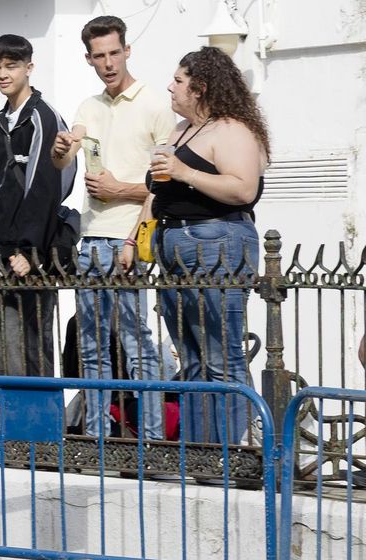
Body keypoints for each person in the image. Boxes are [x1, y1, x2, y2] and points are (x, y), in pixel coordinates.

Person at [120, 47, 266, 446]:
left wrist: (184, 171)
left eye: (179, 80)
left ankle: (228, 448)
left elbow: (243, 188)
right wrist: (136, 236)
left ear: (200, 88)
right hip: (174, 244)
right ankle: (201, 449)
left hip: (215, 241)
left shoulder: (231, 129)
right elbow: (158, 191)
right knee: (195, 358)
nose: (171, 86)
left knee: (221, 356)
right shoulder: (182, 130)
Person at [51, 14, 175, 442]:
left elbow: (164, 186)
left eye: (114, 53)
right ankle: (98, 439)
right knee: (91, 349)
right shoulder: (88, 107)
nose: (108, 63)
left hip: (129, 239)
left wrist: (121, 195)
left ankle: (154, 441)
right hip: (91, 238)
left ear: (127, 51)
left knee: (138, 345)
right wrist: (62, 148)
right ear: (88, 58)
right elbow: (64, 159)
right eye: (99, 56)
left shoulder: (155, 105)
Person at [0, 34, 75, 378]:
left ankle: (39, 431)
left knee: (30, 348)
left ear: (29, 68)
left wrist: (32, 251)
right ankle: (12, 432)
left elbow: (47, 187)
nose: (2, 74)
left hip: (30, 254)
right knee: (1, 350)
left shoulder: (43, 117)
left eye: (11, 65)